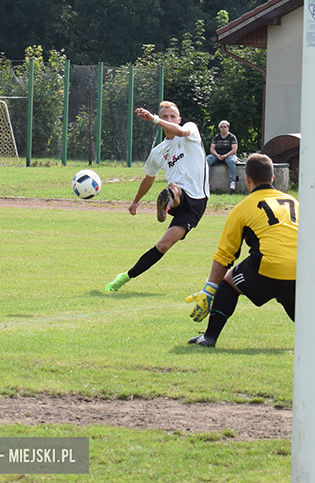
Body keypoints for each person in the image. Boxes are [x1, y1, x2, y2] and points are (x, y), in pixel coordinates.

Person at [185, 153, 298, 347]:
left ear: (247, 180)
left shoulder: (241, 209)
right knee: (287, 292)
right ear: (273, 178)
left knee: (229, 282)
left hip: (268, 269)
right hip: (301, 271)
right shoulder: (294, 202)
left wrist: (209, 290)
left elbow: (225, 256)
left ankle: (210, 337)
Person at [104, 101, 210, 292]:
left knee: (163, 245)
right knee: (173, 187)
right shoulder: (158, 151)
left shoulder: (189, 130)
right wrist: (135, 202)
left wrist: (154, 119)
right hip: (178, 196)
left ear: (178, 119)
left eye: (172, 116)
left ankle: (126, 275)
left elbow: (181, 132)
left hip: (197, 202)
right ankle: (168, 199)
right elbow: (148, 178)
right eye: (165, 116)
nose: (168, 119)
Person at [206, 120, 239, 190]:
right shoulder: (216, 137)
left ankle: (232, 182)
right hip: (217, 155)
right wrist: (217, 155)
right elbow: (212, 149)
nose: (223, 128)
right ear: (219, 128)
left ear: (228, 128)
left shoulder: (232, 137)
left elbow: (234, 150)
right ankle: (206, 181)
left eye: (225, 127)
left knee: (231, 161)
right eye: (221, 127)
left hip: (229, 155)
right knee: (207, 160)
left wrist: (225, 155)